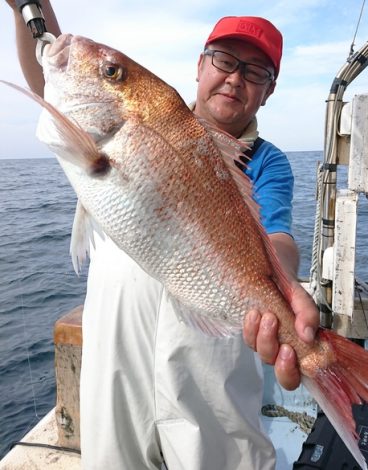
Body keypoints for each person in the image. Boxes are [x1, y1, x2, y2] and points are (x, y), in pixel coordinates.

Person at [7, 2, 319, 469]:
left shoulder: (267, 162)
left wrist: (283, 282)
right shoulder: (135, 119)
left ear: (269, 91)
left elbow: (277, 236)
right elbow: (58, 74)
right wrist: (28, 9)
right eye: (224, 60)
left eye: (255, 71)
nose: (235, 78)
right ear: (200, 65)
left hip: (211, 366)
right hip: (118, 357)